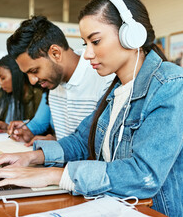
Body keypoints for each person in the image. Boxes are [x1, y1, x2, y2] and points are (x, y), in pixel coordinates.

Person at [0, 0, 183, 217]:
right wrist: (30, 157)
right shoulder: (115, 89)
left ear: (131, 35)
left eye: (95, 41)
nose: (87, 54)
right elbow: (82, 141)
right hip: (111, 208)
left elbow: (144, 175)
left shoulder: (170, 84)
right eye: (85, 43)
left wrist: (53, 175)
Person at [6, 16, 114, 144]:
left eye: (34, 71)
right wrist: (55, 142)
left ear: (56, 53)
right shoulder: (54, 82)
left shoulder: (103, 77)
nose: (32, 81)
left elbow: (103, 150)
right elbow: (73, 143)